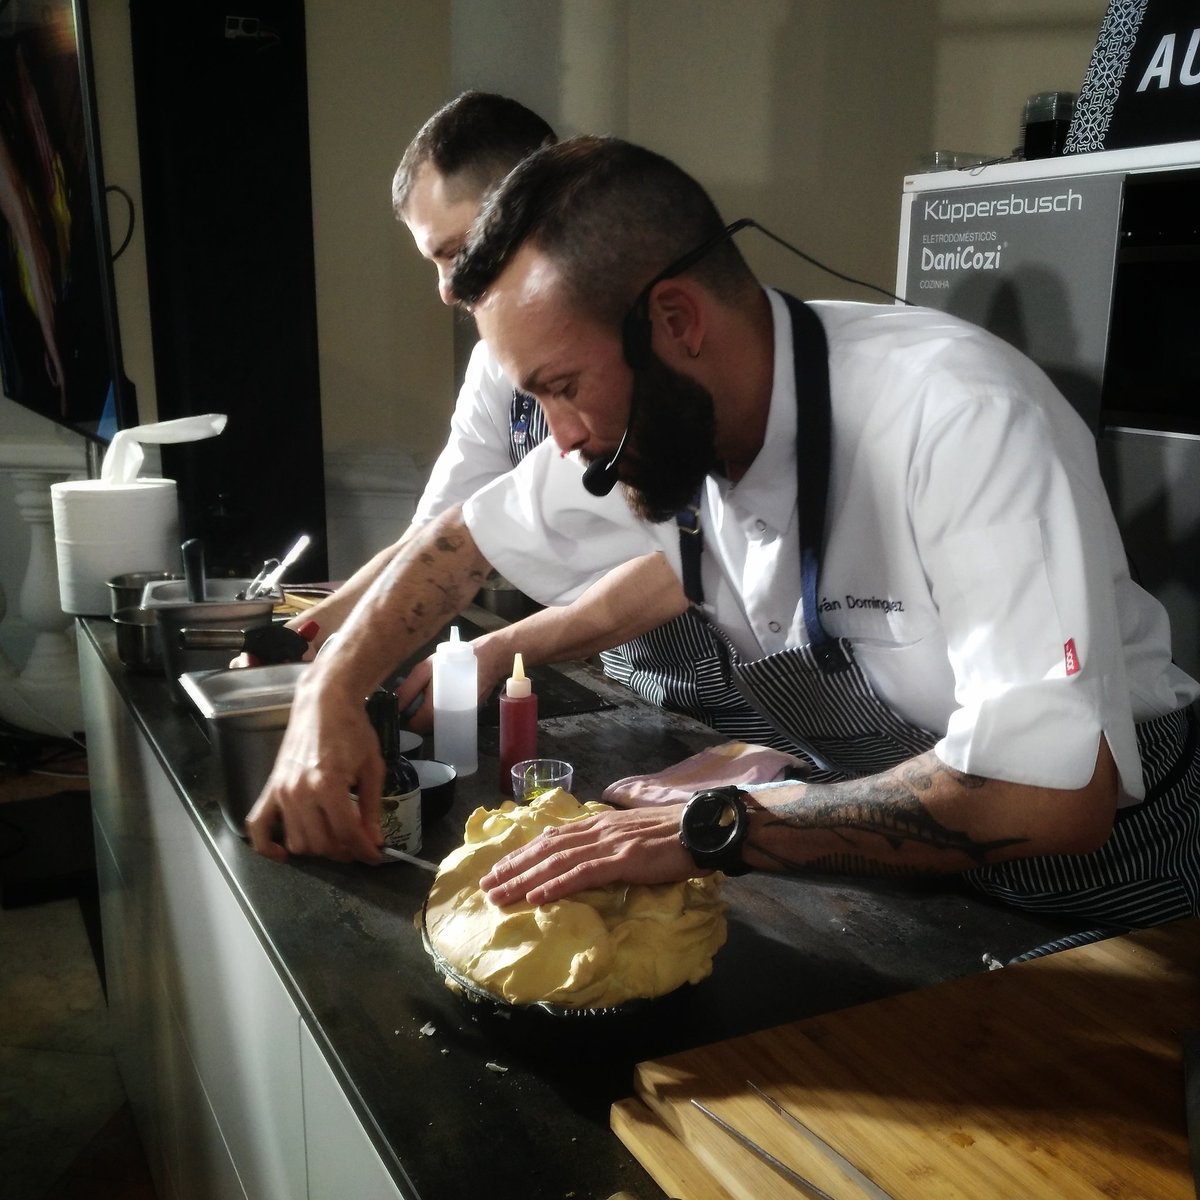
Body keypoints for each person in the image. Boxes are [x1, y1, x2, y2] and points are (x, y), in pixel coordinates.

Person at [249, 134, 1200, 937]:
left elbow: (1049, 794)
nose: (564, 438)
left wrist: (712, 828)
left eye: (563, 387)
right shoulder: (669, 418)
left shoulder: (957, 417)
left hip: (1115, 894)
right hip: (917, 869)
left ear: (676, 319)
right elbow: (462, 542)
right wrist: (330, 692)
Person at [277, 92, 689, 722]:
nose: (446, 289)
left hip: (735, 674)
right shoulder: (494, 364)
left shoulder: (652, 346)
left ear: (539, 206)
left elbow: (690, 563)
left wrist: (500, 648)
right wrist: (311, 635)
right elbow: (443, 537)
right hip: (634, 671)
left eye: (457, 250)